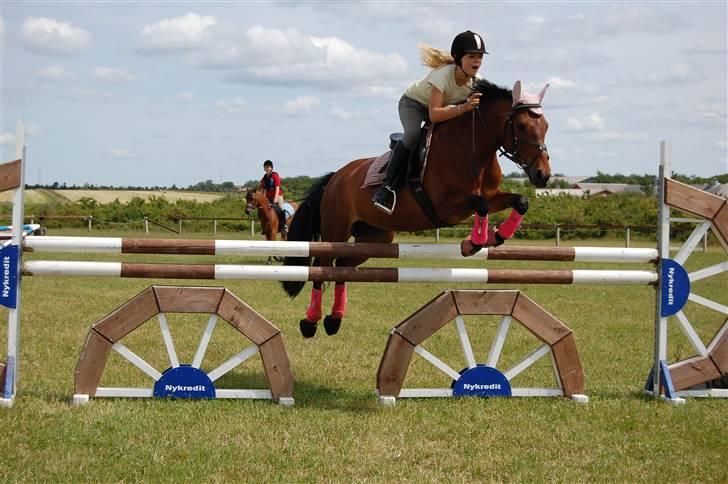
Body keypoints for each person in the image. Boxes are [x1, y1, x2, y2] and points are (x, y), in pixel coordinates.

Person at [372, 30, 487, 214]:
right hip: (414, 105)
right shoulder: (442, 76)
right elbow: (433, 115)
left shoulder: (476, 82)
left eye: (480, 57)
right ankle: (386, 188)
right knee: (412, 135)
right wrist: (463, 108)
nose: (477, 61)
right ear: (458, 58)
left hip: (442, 108)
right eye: (472, 56)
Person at [260, 159, 288, 232]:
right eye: (265, 167)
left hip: (277, 195)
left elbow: (277, 188)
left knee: (280, 207)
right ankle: (264, 226)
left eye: (268, 167)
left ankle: (284, 225)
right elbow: (264, 190)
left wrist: (275, 200)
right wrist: (264, 199)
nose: (266, 168)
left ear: (271, 167)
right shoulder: (264, 178)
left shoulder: (275, 176)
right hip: (268, 197)